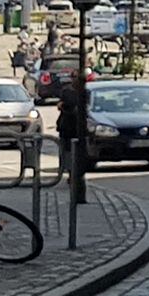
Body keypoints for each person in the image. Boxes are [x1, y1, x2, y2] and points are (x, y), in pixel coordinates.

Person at [55, 72, 91, 204]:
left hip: (78, 128)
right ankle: (71, 173)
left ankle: (77, 175)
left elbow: (84, 108)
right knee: (67, 151)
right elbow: (62, 105)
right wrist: (64, 107)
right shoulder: (67, 91)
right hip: (66, 127)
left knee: (78, 152)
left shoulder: (86, 92)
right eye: (74, 78)